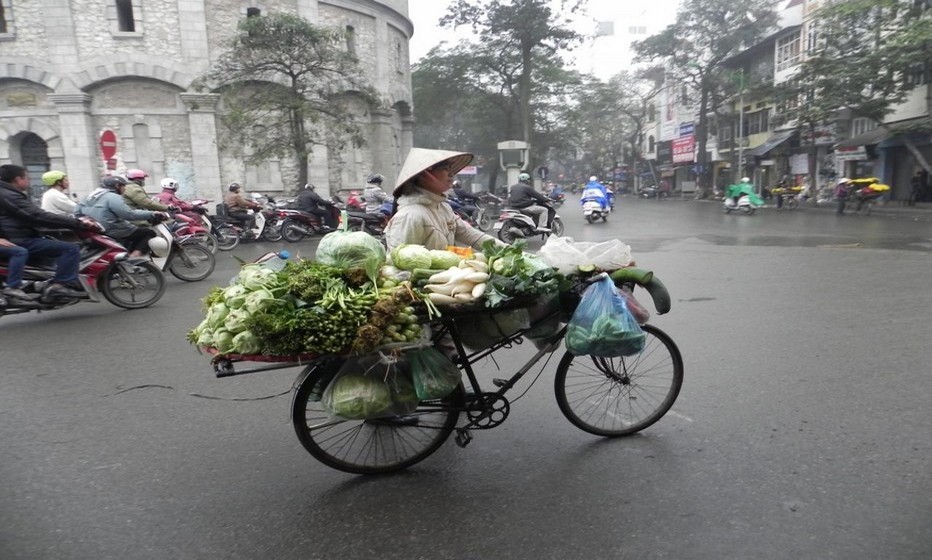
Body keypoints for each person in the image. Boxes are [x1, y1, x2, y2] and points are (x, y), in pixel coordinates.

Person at [0, 164, 100, 299]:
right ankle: (61, 285)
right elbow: (36, 215)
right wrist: (77, 223)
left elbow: (29, 216)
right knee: (70, 249)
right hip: (18, 239)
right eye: (26, 178)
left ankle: (42, 283)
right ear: (18, 179)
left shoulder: (7, 193)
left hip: (19, 235)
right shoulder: (10, 195)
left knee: (52, 247)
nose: (29, 181)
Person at [384, 148, 500, 251]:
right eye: (445, 168)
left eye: (451, 169)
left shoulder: (444, 208)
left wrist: (508, 250)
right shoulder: (410, 216)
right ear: (424, 174)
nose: (451, 174)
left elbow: (471, 235)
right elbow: (399, 266)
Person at [75, 176, 167, 257]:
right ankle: (134, 258)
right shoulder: (113, 197)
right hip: (113, 230)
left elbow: (77, 213)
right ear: (117, 186)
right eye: (123, 186)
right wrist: (151, 213)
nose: (125, 189)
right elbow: (129, 214)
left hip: (94, 231)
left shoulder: (88, 196)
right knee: (148, 233)